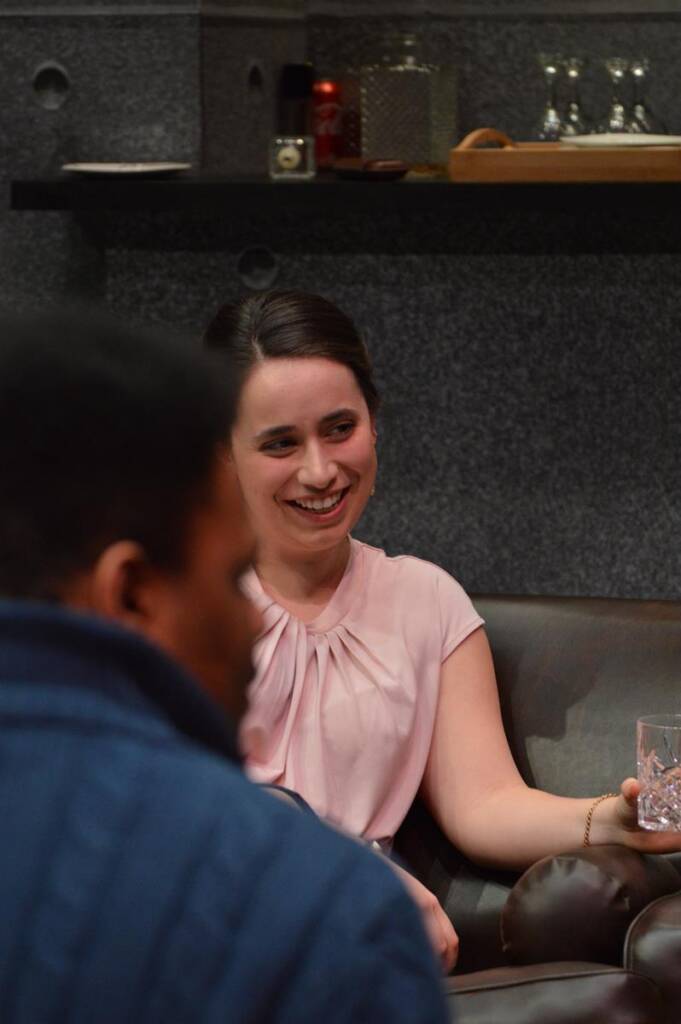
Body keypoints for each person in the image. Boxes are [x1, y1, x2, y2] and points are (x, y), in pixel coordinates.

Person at [203, 288, 681, 972]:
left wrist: (611, 821)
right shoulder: (174, 594)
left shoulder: (423, 597)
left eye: (340, 428)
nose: (319, 470)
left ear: (375, 423)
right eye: (280, 444)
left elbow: (483, 804)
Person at [0, 307, 450, 1023]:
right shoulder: (332, 920)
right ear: (130, 592)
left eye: (339, 427)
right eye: (230, 575)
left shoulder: (423, 593)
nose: (252, 619)